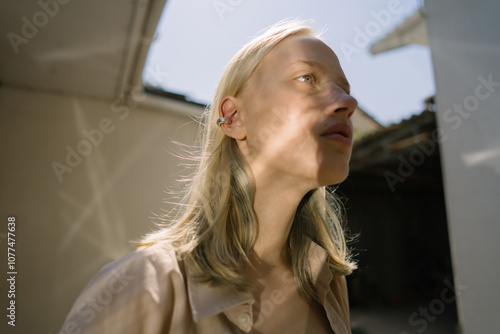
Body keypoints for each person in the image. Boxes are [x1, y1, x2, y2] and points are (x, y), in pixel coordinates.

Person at [59, 18, 357, 334]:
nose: (348, 103)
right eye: (307, 77)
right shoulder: (144, 285)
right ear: (233, 117)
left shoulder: (329, 283)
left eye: (344, 89)